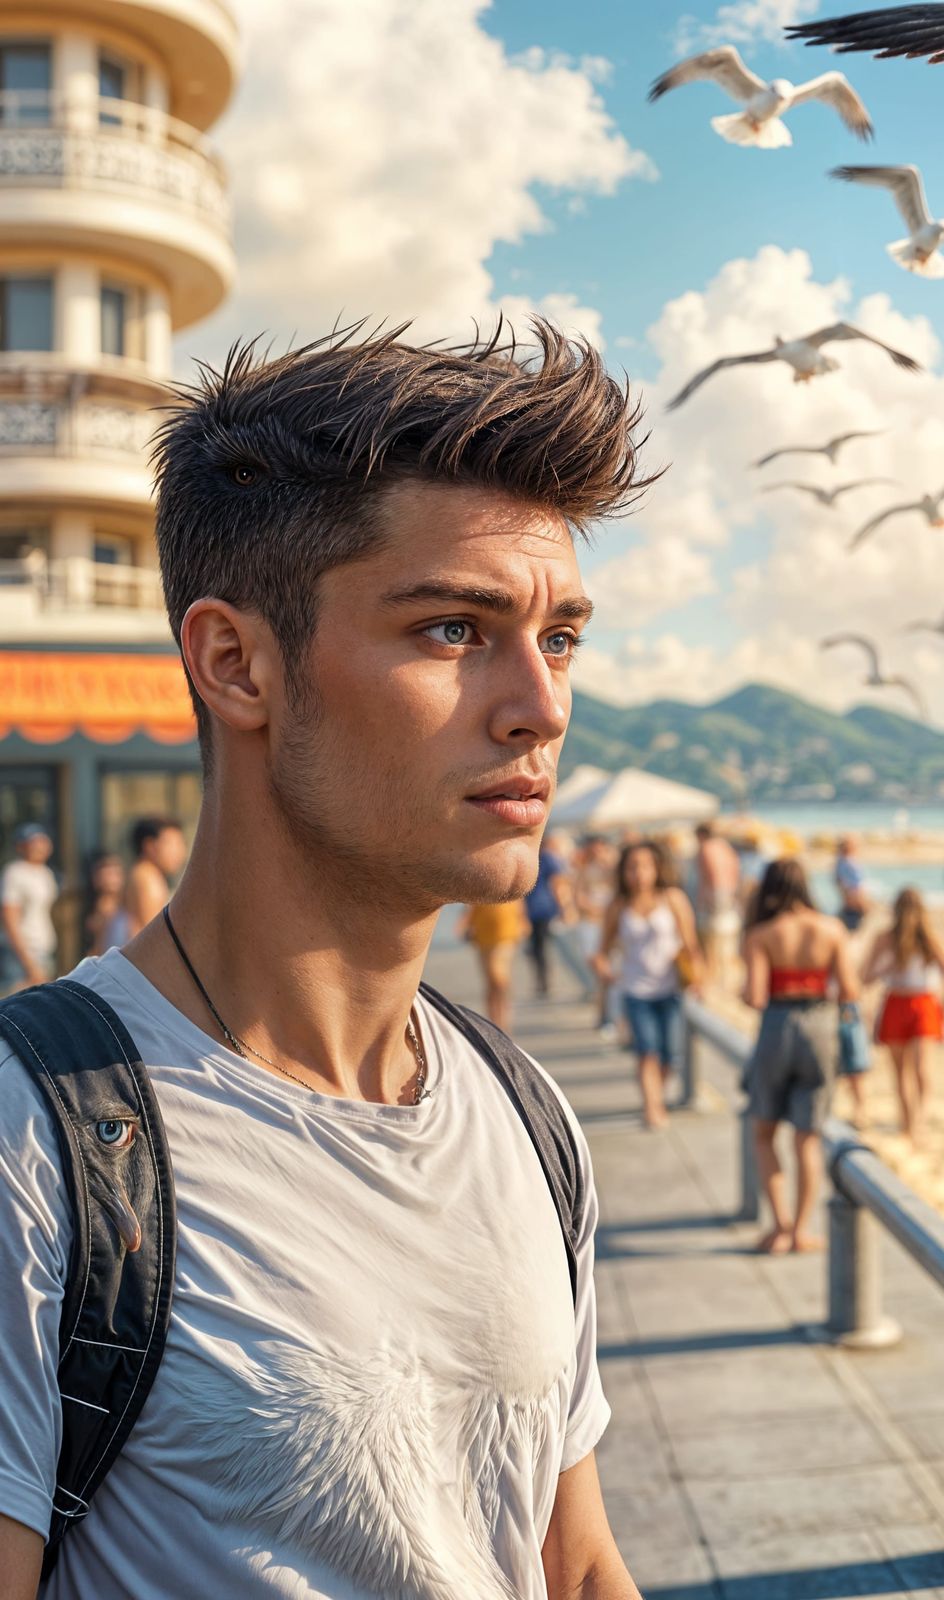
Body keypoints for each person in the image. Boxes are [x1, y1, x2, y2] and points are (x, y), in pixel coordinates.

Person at [0, 323, 647, 1595]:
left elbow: (572, 1565)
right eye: (455, 630)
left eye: (559, 635)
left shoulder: (523, 1113)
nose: (542, 703)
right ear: (236, 664)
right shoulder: (42, 1140)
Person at [740, 858, 860, 1252]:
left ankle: (779, 1225)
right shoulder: (832, 929)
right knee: (807, 1139)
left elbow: (755, 997)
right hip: (821, 1027)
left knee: (764, 1133)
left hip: (777, 1025)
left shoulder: (762, 934)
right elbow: (849, 991)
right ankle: (801, 1231)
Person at [592, 839, 702, 1130]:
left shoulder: (673, 898)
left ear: (656, 868)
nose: (638, 873)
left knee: (670, 1055)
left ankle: (657, 1094)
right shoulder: (619, 905)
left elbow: (691, 944)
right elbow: (601, 950)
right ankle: (652, 1106)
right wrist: (606, 972)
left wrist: (700, 981)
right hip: (635, 991)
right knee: (646, 1051)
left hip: (671, 989)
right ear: (623, 872)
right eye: (632, 867)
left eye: (644, 866)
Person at [863, 887, 944, 1144]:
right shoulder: (885, 939)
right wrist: (886, 968)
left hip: (919, 1002)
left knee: (916, 1068)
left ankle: (916, 1121)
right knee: (908, 1070)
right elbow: (865, 978)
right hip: (902, 1001)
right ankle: (909, 1123)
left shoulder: (927, 938)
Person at [572, 835, 620, 1038]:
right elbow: (579, 899)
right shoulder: (583, 871)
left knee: (609, 975)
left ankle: (608, 1017)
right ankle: (606, 1016)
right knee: (602, 973)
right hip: (592, 926)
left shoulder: (612, 871)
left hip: (606, 927)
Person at [459, 896, 530, 1032]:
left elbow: (518, 897)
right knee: (490, 981)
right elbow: (470, 904)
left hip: (505, 931)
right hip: (482, 933)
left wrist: (522, 920)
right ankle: (494, 1019)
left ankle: (503, 1016)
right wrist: (464, 924)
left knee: (498, 976)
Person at [0, 824, 56, 993]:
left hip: (44, 948)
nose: (39, 846)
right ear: (21, 846)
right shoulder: (15, 872)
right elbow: (10, 920)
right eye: (33, 842)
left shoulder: (46, 872)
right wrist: (29, 963)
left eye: (42, 841)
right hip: (21, 953)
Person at [692, 819, 744, 987]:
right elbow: (736, 872)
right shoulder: (726, 848)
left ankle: (713, 982)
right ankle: (727, 980)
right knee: (727, 944)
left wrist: (703, 900)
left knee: (710, 944)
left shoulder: (706, 848)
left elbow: (710, 877)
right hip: (730, 896)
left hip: (714, 899)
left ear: (700, 835)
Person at [523, 834, 573, 998]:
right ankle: (543, 981)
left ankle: (544, 982)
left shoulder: (542, 857)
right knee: (538, 948)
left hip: (542, 909)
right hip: (537, 910)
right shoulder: (543, 857)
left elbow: (557, 883)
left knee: (540, 948)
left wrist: (564, 908)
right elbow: (558, 883)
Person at [123, 816, 188, 937]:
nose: (180, 851)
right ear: (149, 846)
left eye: (181, 844)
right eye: (172, 844)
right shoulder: (148, 878)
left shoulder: (140, 873)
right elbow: (152, 934)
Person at [82, 852, 129, 957]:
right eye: (108, 874)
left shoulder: (127, 903)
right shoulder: (100, 908)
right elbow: (97, 947)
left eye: (116, 873)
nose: (112, 879)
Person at [834, 834, 870, 933]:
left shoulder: (841, 863)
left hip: (851, 905)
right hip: (855, 905)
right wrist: (864, 905)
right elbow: (854, 889)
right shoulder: (847, 864)